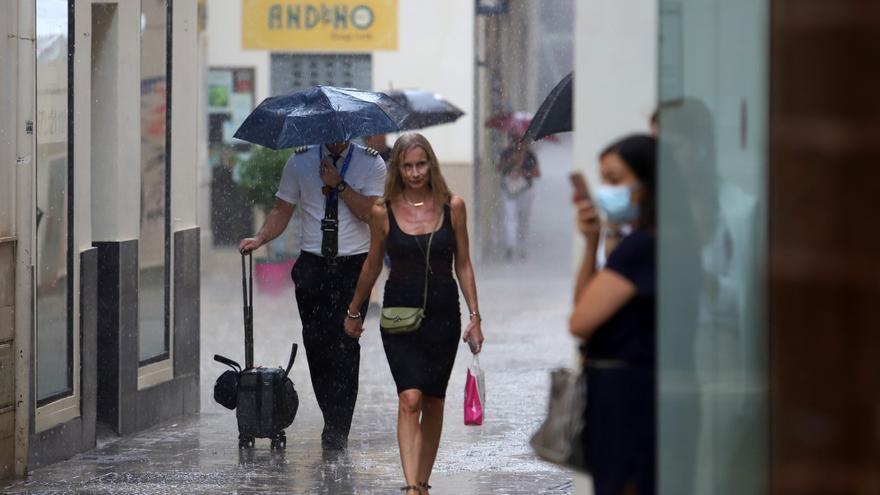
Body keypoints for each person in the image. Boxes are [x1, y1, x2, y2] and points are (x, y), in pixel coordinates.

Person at [343, 133, 484, 494]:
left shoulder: (454, 206)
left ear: (431, 164)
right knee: (410, 397)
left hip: (443, 315)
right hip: (398, 315)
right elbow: (373, 265)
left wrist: (475, 316)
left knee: (434, 399)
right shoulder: (382, 211)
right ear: (397, 169)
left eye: (421, 164)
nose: (415, 172)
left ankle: (422, 482)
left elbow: (463, 264)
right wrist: (354, 310)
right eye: (407, 165)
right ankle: (409, 487)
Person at [239, 139, 386, 450]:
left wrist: (339, 184)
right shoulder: (300, 162)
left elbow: (369, 215)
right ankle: (329, 414)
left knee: (346, 345)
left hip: (351, 266)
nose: (335, 134)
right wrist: (260, 238)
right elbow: (282, 211)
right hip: (313, 266)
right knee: (316, 345)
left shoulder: (371, 163)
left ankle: (338, 426)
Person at [569, 134, 657, 495]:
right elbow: (585, 306)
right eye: (602, 178)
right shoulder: (633, 242)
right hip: (622, 390)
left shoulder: (641, 246)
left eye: (615, 179)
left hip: (626, 395)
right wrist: (592, 244)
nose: (607, 190)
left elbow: (580, 321)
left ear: (646, 184)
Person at [497, 136, 541, 259]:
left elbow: (537, 173)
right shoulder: (507, 153)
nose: (519, 144)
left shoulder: (530, 155)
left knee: (523, 219)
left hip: (525, 190)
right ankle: (510, 246)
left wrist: (524, 172)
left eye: (522, 141)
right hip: (509, 190)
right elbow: (499, 168)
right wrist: (512, 160)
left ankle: (522, 247)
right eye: (516, 140)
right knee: (509, 218)